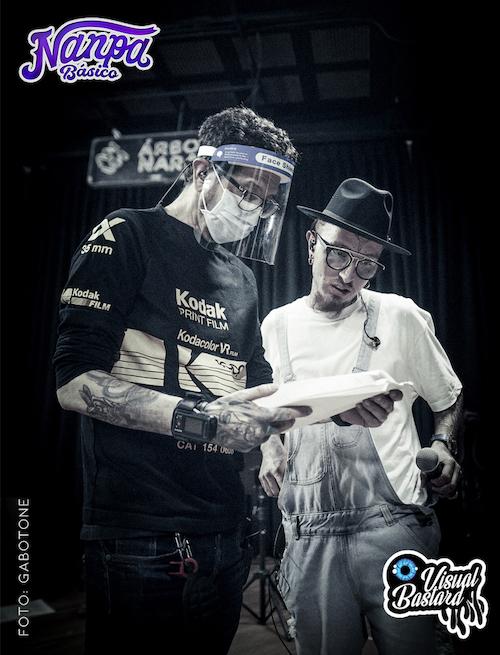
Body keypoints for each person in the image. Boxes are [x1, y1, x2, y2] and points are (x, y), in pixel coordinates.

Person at [53, 109, 398, 654]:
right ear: (201, 170)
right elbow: (75, 380)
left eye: (267, 200)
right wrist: (204, 421)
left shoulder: (240, 278)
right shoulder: (126, 235)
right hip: (141, 532)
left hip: (223, 530)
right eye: (247, 191)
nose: (255, 208)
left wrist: (335, 407)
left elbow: (262, 386)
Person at [259, 178, 463, 655]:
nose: (349, 275)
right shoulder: (277, 326)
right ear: (312, 242)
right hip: (310, 537)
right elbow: (268, 409)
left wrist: (443, 445)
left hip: (395, 532)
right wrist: (269, 446)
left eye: (367, 263)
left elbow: (448, 398)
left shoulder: (400, 317)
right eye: (338, 255)